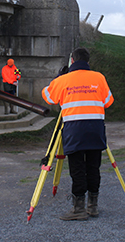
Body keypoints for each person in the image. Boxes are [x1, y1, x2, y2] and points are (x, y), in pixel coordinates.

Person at [41, 47, 114, 220]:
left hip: (74, 130)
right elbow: (108, 102)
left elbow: (48, 97)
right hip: (95, 129)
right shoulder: (99, 77)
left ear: (72, 61)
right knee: (93, 168)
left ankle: (78, 209)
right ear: (88, 62)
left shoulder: (64, 80)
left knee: (77, 169)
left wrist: (58, 79)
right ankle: (93, 206)